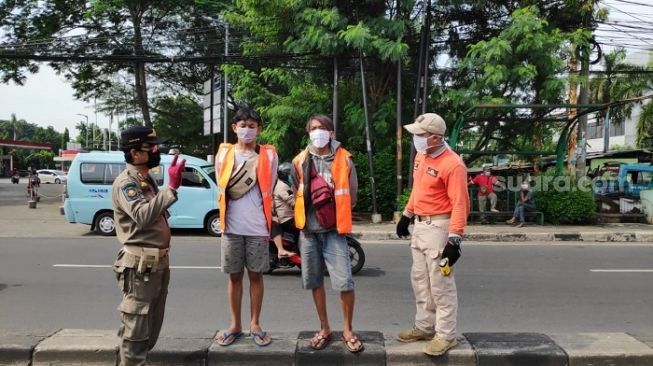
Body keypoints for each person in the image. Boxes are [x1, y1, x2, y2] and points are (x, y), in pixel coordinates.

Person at [395, 113, 470, 356]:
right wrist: (407, 214)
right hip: (420, 226)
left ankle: (446, 335)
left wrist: (454, 239)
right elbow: (418, 190)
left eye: (420, 134)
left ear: (436, 138)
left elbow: (460, 203)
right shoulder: (422, 156)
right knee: (420, 280)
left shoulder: (453, 164)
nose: (416, 138)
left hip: (440, 227)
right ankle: (425, 326)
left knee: (440, 285)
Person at [111, 126, 185, 366]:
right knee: (136, 332)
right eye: (150, 147)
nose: (156, 151)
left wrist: (169, 189)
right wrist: (171, 188)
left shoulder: (146, 179)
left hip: (156, 263)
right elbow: (142, 216)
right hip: (140, 265)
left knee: (149, 329)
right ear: (135, 153)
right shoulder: (126, 183)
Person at [291, 114, 363, 353]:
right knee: (315, 281)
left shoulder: (345, 159)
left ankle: (348, 329)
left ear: (332, 133)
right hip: (308, 232)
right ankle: (324, 327)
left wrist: (332, 214)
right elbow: (296, 193)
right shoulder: (299, 161)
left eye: (322, 128)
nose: (318, 132)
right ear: (308, 133)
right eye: (313, 128)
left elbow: (351, 195)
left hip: (334, 231)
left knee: (345, 282)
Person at [214, 106, 277, 347]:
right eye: (243, 126)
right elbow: (223, 187)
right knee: (234, 277)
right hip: (230, 227)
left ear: (259, 129)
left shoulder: (268, 155)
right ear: (234, 128)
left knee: (256, 276)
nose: (247, 130)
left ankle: (255, 324)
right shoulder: (223, 155)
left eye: (252, 126)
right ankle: (235, 325)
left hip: (258, 227)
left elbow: (268, 187)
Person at [271, 162, 297, 257]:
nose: (292, 176)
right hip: (287, 219)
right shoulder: (282, 187)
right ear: (285, 175)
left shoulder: (285, 184)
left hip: (289, 217)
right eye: (290, 174)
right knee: (306, 228)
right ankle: (302, 250)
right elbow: (294, 202)